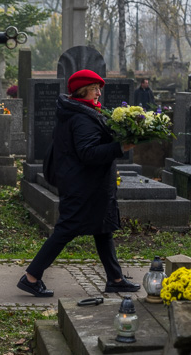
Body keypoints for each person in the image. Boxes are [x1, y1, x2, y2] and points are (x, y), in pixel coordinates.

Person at [17, 69, 140, 298]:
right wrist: (120, 148)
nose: (99, 93)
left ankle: (115, 279)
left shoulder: (81, 112)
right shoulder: (82, 117)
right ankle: (31, 277)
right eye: (95, 88)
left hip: (89, 184)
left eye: (99, 88)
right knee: (66, 230)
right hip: (83, 186)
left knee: (103, 230)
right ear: (83, 91)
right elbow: (88, 153)